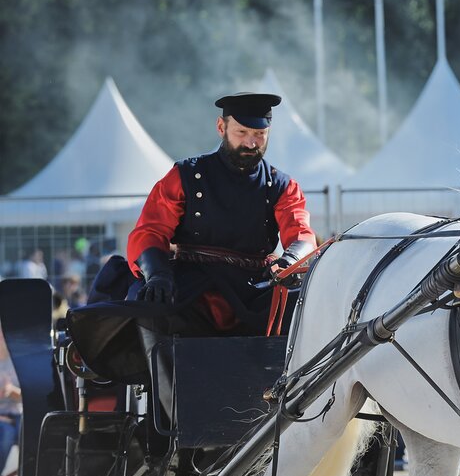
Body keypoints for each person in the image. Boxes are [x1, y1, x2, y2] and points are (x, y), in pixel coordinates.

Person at [67, 92, 316, 413]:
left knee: (305, 308)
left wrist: (290, 261)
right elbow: (150, 231)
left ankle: (287, 410)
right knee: (152, 305)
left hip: (254, 289)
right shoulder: (185, 175)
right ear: (221, 127)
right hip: (193, 286)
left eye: (259, 134)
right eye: (242, 132)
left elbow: (301, 234)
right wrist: (158, 274)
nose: (251, 142)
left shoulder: (282, 186)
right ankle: (171, 416)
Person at [0, 330, 21, 476]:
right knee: (6, 433)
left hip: (18, 413)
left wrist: (12, 391)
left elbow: (27, 395)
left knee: (26, 432)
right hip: (1, 416)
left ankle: (30, 471)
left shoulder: (17, 363)